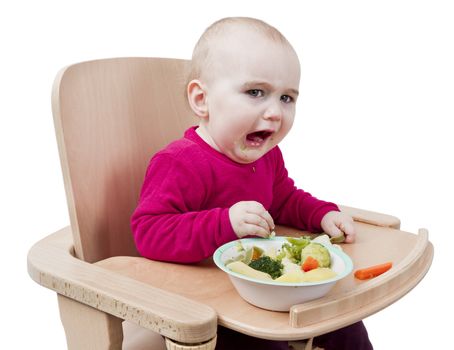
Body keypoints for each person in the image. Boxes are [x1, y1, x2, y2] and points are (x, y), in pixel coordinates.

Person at [131, 17, 372, 350]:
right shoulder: (180, 162)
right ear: (202, 100)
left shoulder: (266, 156)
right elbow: (148, 232)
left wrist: (320, 215)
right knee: (265, 344)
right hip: (205, 308)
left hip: (260, 293)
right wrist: (225, 222)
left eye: (287, 98)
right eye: (255, 92)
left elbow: (284, 199)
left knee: (345, 322)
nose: (275, 112)